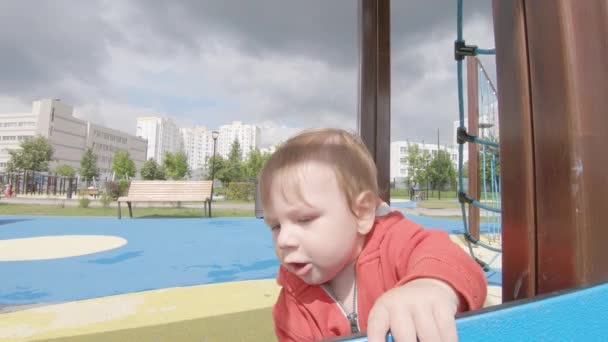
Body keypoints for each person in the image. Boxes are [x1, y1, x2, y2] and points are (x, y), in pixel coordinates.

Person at [258, 128, 487, 342]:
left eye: (304, 219)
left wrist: (430, 285)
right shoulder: (293, 304)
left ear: (362, 212)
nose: (284, 240)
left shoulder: (393, 242)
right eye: (276, 226)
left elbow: (450, 258)